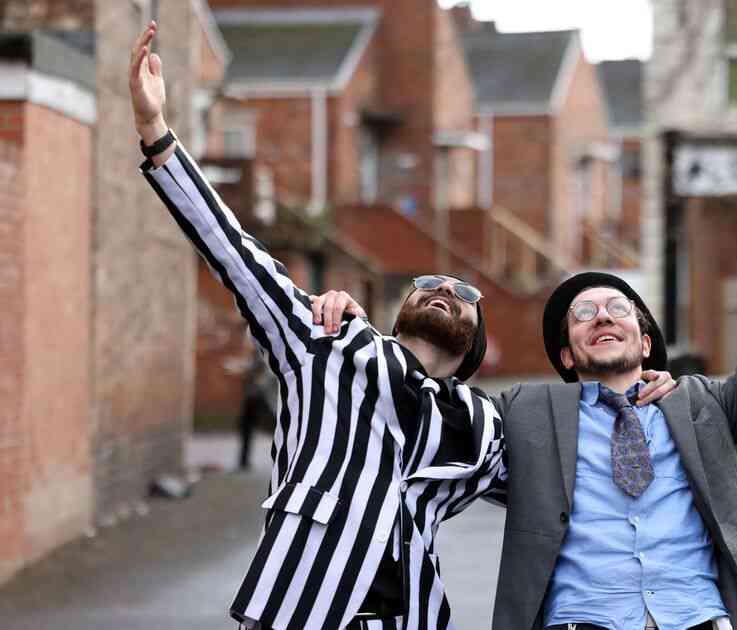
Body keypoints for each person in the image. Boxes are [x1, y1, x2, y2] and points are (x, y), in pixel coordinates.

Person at [128, 21, 676, 630]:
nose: (444, 288)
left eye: (464, 293)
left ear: (473, 342)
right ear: (398, 314)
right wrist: (157, 135)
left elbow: (575, 485)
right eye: (427, 285)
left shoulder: (484, 427)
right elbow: (233, 252)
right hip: (299, 611)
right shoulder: (326, 346)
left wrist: (639, 399)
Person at [318, 145, 737, 630]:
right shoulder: (525, 417)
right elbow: (425, 406)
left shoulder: (701, 407)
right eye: (583, 314)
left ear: (644, 341)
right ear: (564, 353)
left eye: (618, 308)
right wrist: (353, 328)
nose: (603, 316)